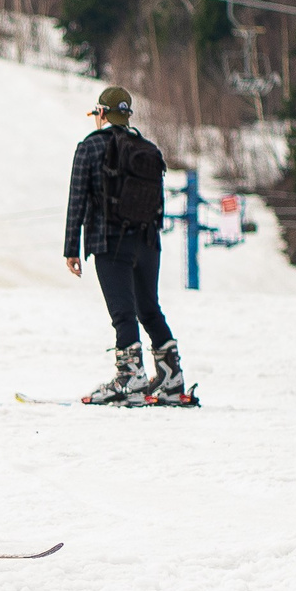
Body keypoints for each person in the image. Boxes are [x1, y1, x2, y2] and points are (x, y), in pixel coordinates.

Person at [63, 85, 186, 403]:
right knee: (149, 309)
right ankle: (172, 380)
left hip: (110, 242)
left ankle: (129, 379)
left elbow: (77, 198)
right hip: (148, 242)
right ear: (128, 114)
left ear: (101, 113)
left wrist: (70, 249)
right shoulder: (147, 149)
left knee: (123, 313)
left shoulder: (90, 147)